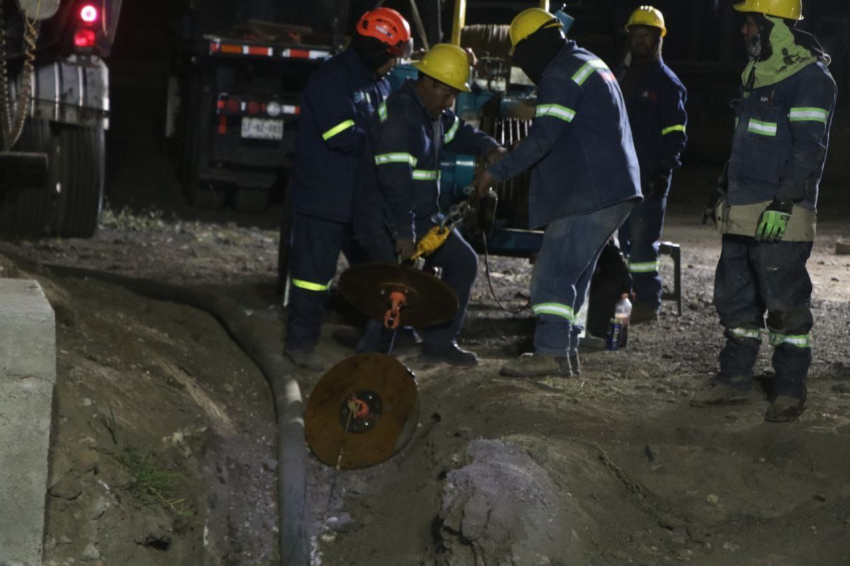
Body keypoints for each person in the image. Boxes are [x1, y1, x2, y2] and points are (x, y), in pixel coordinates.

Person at [473, 8, 642, 378]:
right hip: (615, 190)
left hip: (587, 192)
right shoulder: (587, 61)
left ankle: (550, 353)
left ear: (531, 47)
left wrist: (495, 173)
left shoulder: (560, 73)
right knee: (574, 275)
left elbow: (543, 139)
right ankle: (564, 354)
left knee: (552, 272)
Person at [691, 0, 836, 422]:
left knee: (785, 302)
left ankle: (789, 389)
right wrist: (723, 191)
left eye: (749, 23)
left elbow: (810, 148)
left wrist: (786, 201)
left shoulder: (810, 79)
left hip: (780, 209)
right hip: (742, 203)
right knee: (735, 299)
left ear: (773, 25)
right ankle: (733, 378)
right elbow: (745, 143)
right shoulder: (757, 75)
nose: (744, 32)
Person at [355, 43, 506, 366]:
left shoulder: (432, 113)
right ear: (428, 83)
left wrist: (489, 148)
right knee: (396, 287)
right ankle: (370, 361)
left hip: (419, 215)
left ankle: (438, 342)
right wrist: (404, 235)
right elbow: (395, 185)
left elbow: (460, 131)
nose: (451, 101)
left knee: (462, 262)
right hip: (385, 220)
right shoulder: (400, 117)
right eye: (447, 94)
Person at [283, 8, 412, 371]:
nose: (395, 63)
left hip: (359, 203)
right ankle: (300, 345)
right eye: (392, 55)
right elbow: (340, 136)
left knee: (378, 276)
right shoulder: (333, 80)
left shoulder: (378, 81)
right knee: (311, 280)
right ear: (375, 50)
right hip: (322, 201)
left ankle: (373, 344)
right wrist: (389, 143)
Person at [615, 6, 688, 323]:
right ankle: (618, 297)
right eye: (636, 35)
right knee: (619, 242)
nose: (641, 41)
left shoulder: (667, 84)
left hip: (649, 178)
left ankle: (647, 303)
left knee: (643, 245)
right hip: (618, 175)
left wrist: (662, 170)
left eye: (647, 35)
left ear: (659, 40)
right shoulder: (621, 76)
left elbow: (676, 134)